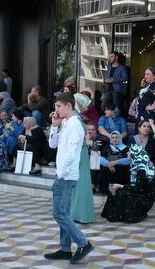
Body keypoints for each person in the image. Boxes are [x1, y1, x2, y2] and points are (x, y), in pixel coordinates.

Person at [44, 94, 93, 264]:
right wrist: (54, 126)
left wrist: (61, 174)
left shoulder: (75, 126)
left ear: (69, 106)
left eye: (58, 106)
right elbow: (52, 144)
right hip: (64, 174)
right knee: (63, 212)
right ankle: (65, 250)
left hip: (66, 176)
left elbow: (72, 154)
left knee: (59, 213)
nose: (56, 109)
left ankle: (83, 243)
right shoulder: (65, 123)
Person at [101, 144, 155, 223]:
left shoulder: (141, 169)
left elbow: (138, 187)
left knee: (123, 193)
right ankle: (111, 214)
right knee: (114, 191)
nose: (127, 153)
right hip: (139, 191)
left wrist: (120, 186)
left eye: (129, 151)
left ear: (134, 154)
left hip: (145, 196)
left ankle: (123, 215)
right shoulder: (135, 164)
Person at [69, 93, 96, 224]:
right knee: (81, 181)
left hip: (82, 150)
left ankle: (78, 212)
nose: (87, 106)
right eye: (85, 104)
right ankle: (80, 213)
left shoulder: (76, 117)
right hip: (80, 151)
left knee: (81, 181)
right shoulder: (76, 118)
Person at [103, 51, 128, 116]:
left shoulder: (122, 67)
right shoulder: (109, 67)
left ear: (116, 57)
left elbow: (125, 78)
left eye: (112, 57)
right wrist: (105, 80)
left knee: (117, 107)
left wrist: (113, 80)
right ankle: (109, 118)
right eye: (109, 57)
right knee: (103, 105)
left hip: (117, 91)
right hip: (108, 90)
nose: (110, 58)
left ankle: (116, 121)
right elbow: (105, 78)